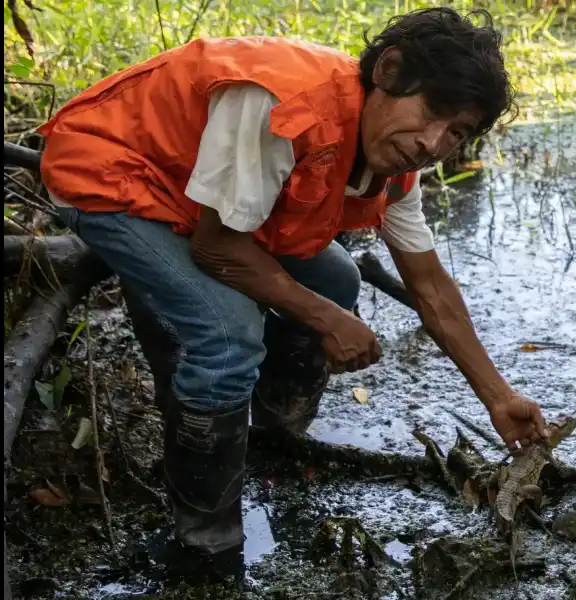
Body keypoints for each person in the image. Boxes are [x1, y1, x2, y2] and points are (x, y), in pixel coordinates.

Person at [38, 7, 548, 562]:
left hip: (198, 193)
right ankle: (206, 544)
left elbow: (430, 287)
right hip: (112, 170)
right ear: (390, 71)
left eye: (456, 132)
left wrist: (500, 397)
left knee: (336, 277)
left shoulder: (399, 159)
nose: (432, 142)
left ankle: (274, 441)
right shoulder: (286, 107)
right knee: (228, 336)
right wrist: (325, 319)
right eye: (432, 110)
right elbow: (216, 247)